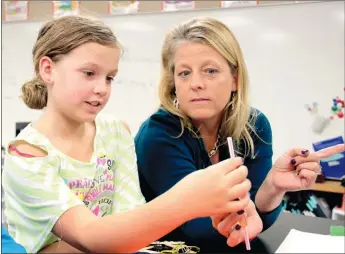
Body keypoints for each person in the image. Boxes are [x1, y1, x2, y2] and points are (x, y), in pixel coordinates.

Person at [2, 15, 252, 253]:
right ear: (48, 70)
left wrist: (114, 234)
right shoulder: (27, 156)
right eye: (89, 73)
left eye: (109, 78)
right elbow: (93, 236)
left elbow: (129, 224)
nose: (101, 89)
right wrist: (185, 200)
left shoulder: (115, 133)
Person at [134, 17, 345, 252]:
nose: (196, 83)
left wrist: (273, 187)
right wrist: (250, 213)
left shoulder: (254, 126)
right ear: (173, 82)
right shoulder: (159, 135)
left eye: (210, 71)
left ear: (235, 79)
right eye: (184, 73)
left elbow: (252, 223)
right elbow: (200, 229)